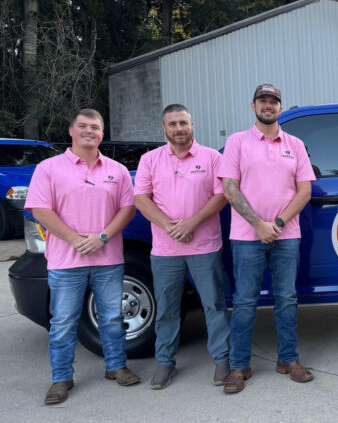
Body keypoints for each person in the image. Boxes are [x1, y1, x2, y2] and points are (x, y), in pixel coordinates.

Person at [25, 109, 140, 405]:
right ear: (71, 131)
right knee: (63, 321)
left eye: (96, 127)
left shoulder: (117, 170)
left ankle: (116, 366)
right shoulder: (48, 168)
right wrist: (75, 239)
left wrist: (101, 237)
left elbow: (127, 209)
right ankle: (61, 378)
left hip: (108, 258)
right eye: (83, 126)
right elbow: (40, 210)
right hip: (66, 260)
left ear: (102, 134)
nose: (89, 131)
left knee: (112, 317)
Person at [218, 84, 315, 393]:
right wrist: (258, 224)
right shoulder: (237, 142)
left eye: (273, 101)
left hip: (288, 235)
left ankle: (288, 359)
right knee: (245, 301)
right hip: (247, 236)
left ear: (280, 108)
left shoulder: (296, 144)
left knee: (286, 298)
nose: (268, 105)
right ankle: (238, 365)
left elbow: (305, 190)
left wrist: (279, 222)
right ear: (253, 105)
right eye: (263, 100)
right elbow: (229, 187)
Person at [134, 104, 230, 390]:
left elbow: (221, 195)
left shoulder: (212, 157)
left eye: (183, 123)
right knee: (166, 307)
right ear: (164, 128)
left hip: (205, 246)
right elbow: (141, 198)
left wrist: (191, 223)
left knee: (213, 303)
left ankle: (222, 359)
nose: (179, 128)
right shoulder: (150, 160)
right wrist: (170, 226)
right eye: (173, 124)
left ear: (192, 124)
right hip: (165, 249)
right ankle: (164, 362)